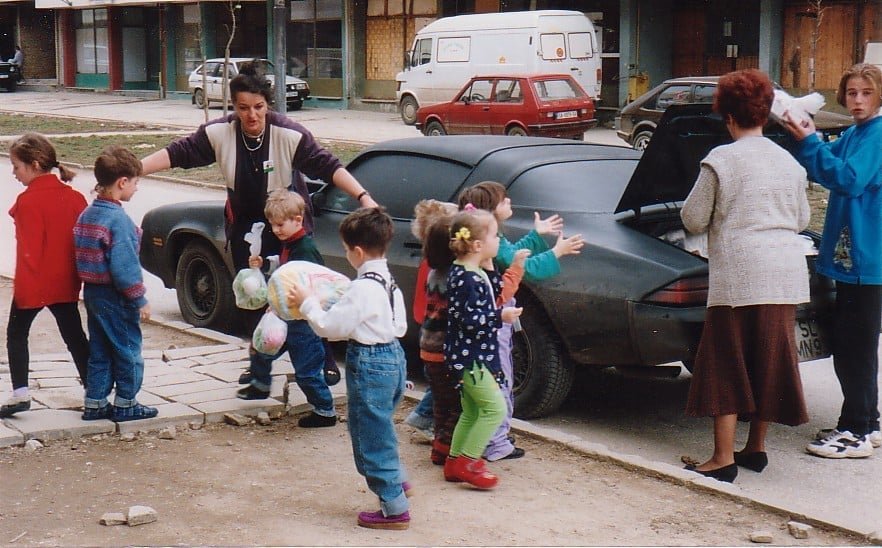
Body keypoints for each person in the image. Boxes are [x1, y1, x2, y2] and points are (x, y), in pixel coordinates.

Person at [138, 60, 373, 382]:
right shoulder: (219, 132)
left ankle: (324, 362)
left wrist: (363, 197)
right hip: (245, 230)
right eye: (243, 108)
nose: (251, 115)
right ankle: (259, 364)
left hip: (288, 229)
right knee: (251, 296)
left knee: (298, 297)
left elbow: (327, 165)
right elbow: (179, 153)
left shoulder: (289, 133)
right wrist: (135, 170)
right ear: (233, 106)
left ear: (268, 104)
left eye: (259, 107)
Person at [681, 68, 812, 481]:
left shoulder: (721, 159)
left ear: (729, 116)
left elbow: (693, 217)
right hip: (785, 274)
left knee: (726, 359)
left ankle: (722, 459)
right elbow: (803, 217)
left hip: (740, 275)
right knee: (768, 358)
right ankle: (755, 448)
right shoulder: (788, 161)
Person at [288, 207, 411, 530]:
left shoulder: (362, 288)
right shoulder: (387, 280)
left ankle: (393, 506)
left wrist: (308, 302)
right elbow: (399, 323)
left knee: (369, 432)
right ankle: (398, 480)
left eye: (346, 249)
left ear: (357, 252)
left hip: (370, 361)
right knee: (382, 424)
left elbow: (330, 327)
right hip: (394, 355)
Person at [783, 62, 882, 458]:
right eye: (852, 93)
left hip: (865, 261)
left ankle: (855, 433)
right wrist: (803, 137)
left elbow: (847, 179)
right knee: (858, 344)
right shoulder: (859, 131)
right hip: (854, 259)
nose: (857, 101)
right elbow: (824, 161)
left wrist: (808, 143)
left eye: (866, 93)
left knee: (853, 346)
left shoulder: (876, 135)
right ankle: (867, 422)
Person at [456, 181, 585, 461]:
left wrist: (536, 236)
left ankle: (484, 441)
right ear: (490, 211)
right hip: (496, 323)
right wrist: (557, 252)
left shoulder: (487, 243)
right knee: (499, 378)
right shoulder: (490, 250)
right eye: (504, 200)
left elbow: (513, 254)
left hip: (490, 325)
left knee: (488, 383)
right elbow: (522, 266)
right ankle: (496, 443)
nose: (509, 201)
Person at [0, 133, 89, 418]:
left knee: (16, 333)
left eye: (16, 167)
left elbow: (29, 250)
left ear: (35, 164)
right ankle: (94, 388)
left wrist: (23, 288)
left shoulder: (27, 202)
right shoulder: (75, 198)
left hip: (34, 282)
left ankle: (21, 392)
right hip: (65, 280)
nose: (13, 173)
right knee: (74, 335)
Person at [237, 189, 337, 429]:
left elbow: (310, 281)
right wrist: (266, 264)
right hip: (286, 316)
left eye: (280, 224)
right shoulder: (291, 244)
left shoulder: (305, 249)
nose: (276, 230)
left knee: (307, 371)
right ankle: (260, 384)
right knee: (262, 345)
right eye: (273, 225)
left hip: (303, 323)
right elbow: (284, 267)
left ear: (298, 220)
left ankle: (325, 411)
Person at [74, 146, 157, 422]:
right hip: (116, 295)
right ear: (122, 182)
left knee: (99, 349)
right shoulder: (117, 219)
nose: (136, 188)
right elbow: (124, 268)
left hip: (94, 293)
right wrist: (139, 298)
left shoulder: (88, 213)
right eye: (135, 183)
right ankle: (126, 402)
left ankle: (95, 402)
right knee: (127, 349)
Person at [443, 209, 523, 489]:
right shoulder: (468, 278)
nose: (499, 239)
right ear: (477, 245)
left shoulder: (470, 270)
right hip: (472, 358)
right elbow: (469, 319)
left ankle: (454, 462)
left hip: (469, 356)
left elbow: (495, 288)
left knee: (472, 410)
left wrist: (492, 265)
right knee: (493, 408)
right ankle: (469, 462)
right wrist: (499, 317)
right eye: (494, 234)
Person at [403, 199, 459, 443]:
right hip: (440, 339)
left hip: (428, 332)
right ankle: (427, 422)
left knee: (438, 387)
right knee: (444, 392)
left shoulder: (432, 263)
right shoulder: (445, 269)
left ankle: (426, 420)